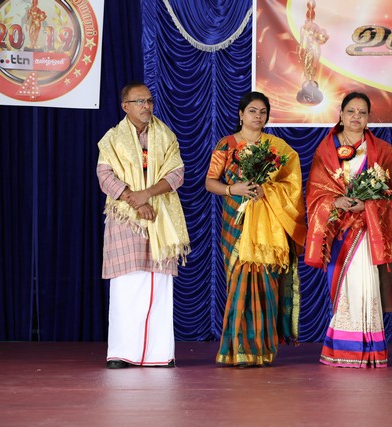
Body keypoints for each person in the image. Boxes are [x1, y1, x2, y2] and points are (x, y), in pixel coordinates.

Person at [205, 91, 307, 367]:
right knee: (240, 284)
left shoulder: (277, 148)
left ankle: (261, 351)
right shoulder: (226, 145)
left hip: (267, 231)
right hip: (235, 225)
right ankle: (237, 350)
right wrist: (233, 189)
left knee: (266, 286)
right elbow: (210, 182)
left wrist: (267, 190)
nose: (258, 116)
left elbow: (292, 186)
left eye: (263, 112)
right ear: (241, 114)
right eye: (252, 111)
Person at [97, 82, 191, 369]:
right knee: (126, 285)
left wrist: (146, 195)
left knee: (158, 285)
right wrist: (134, 200)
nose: (146, 106)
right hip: (126, 217)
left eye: (149, 101)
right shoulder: (112, 138)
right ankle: (121, 353)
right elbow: (105, 176)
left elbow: (177, 174)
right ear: (125, 106)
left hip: (160, 214)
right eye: (139, 101)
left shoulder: (166, 135)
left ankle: (158, 354)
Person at [305, 92, 392, 368]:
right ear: (341, 114)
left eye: (362, 112)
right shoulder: (326, 148)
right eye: (351, 111)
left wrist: (367, 205)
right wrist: (335, 202)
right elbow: (315, 191)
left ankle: (370, 350)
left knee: (366, 287)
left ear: (368, 117)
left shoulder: (383, 150)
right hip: (337, 230)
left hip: (368, 231)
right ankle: (342, 349)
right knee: (345, 288)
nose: (356, 116)